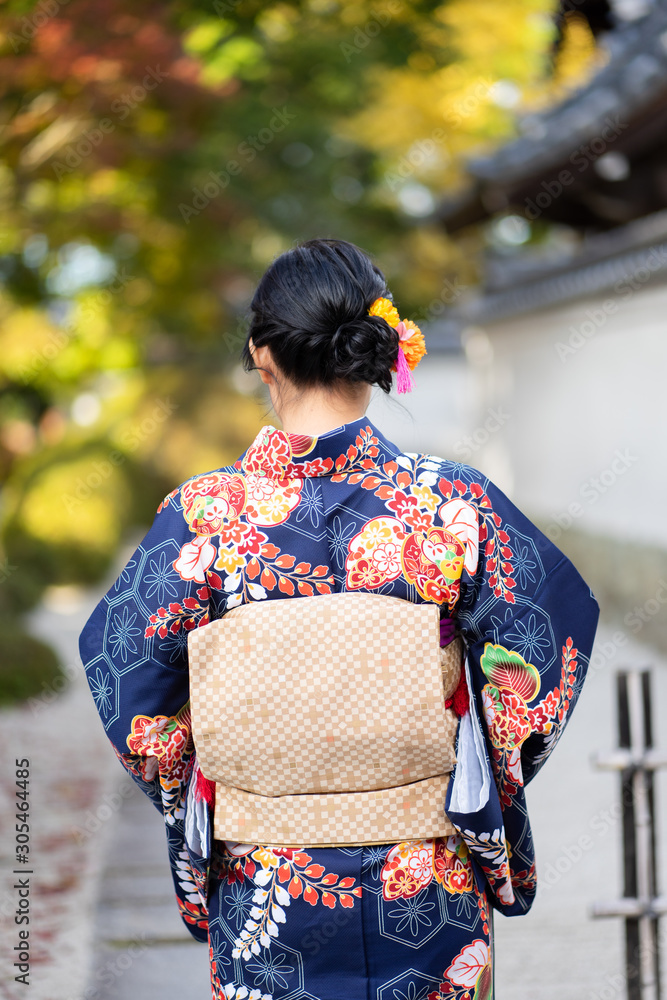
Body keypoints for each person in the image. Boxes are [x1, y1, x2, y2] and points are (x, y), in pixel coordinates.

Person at [79, 237, 600, 1000]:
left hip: (266, 882)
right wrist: (480, 780)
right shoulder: (450, 503)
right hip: (425, 878)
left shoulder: (202, 516)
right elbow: (545, 642)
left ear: (261, 355)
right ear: (378, 354)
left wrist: (209, 793)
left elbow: (127, 688)